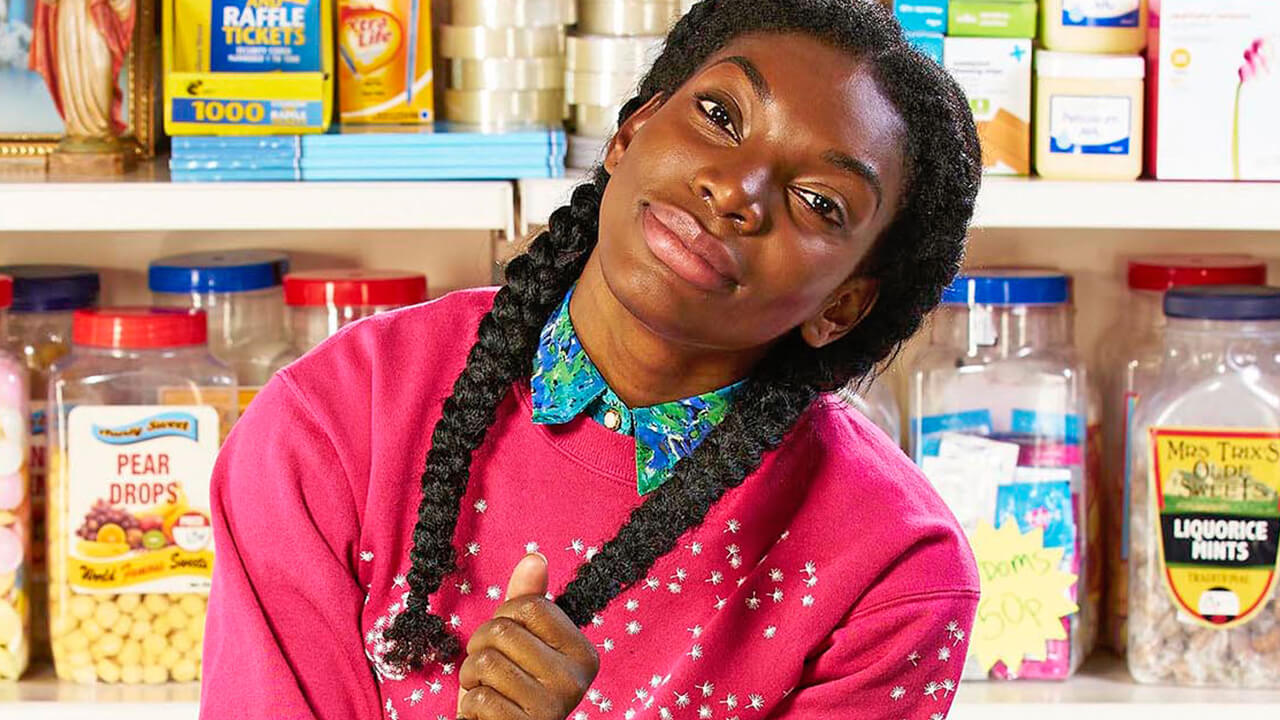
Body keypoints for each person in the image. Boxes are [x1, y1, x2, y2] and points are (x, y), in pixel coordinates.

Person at [200, 1, 984, 718]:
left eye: (818, 201)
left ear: (841, 305)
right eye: (719, 115)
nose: (734, 190)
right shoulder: (333, 421)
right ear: (630, 133)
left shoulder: (895, 570)